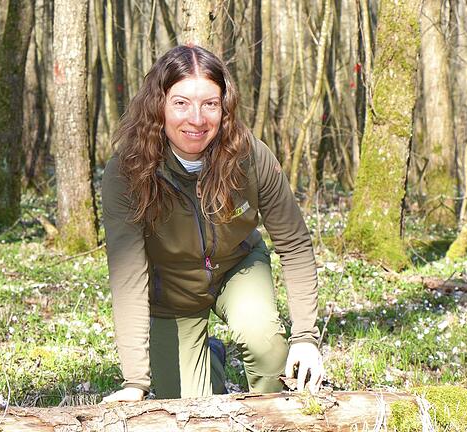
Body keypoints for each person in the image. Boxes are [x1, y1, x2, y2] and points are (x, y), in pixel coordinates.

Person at [101, 45, 323, 402]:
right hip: (171, 292)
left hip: (237, 267)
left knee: (268, 349)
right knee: (189, 409)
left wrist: (306, 338)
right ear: (158, 104)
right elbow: (127, 275)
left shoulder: (249, 156)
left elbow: (294, 242)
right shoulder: (126, 172)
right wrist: (135, 383)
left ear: (224, 107)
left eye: (210, 104)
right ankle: (212, 360)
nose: (197, 118)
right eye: (181, 103)